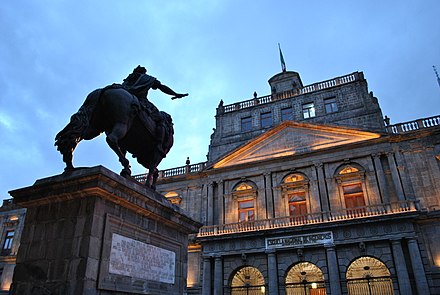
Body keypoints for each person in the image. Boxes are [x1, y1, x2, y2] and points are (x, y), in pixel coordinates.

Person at [122, 65, 187, 156]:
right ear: (143, 72)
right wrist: (175, 94)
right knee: (161, 119)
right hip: (141, 101)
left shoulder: (128, 78)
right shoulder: (147, 78)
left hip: (127, 100)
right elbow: (162, 87)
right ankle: (159, 145)